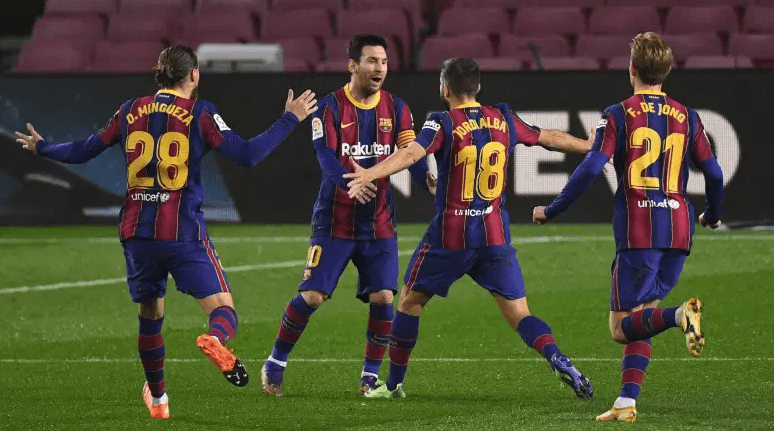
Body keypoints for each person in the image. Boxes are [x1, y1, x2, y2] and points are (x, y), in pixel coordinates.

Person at [14, 45, 318, 419]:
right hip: (182, 232)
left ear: (160, 75)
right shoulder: (200, 113)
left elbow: (83, 150)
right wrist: (290, 118)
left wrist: (42, 147)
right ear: (193, 76)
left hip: (137, 233)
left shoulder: (129, 110)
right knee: (223, 309)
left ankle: (158, 399)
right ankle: (215, 339)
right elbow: (248, 154)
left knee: (150, 312)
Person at [344, 57, 595, 400]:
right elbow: (548, 137)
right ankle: (557, 357)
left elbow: (412, 154)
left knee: (408, 302)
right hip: (494, 235)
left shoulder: (442, 122)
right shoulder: (504, 118)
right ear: (478, 88)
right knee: (521, 313)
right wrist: (589, 146)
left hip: (451, 237)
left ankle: (392, 386)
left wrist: (370, 173)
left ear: (445, 89)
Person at [532, 32, 724, 422]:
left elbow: (590, 168)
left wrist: (552, 210)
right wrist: (714, 214)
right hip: (679, 230)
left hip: (639, 231)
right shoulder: (689, 116)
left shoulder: (618, 113)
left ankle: (680, 317)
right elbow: (715, 172)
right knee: (642, 317)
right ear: (667, 72)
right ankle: (626, 401)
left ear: (632, 69)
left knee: (621, 328)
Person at [260, 34, 435, 397]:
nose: (379, 68)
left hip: (379, 222)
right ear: (352, 65)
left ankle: (369, 377)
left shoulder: (397, 108)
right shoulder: (329, 108)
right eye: (371, 61)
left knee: (385, 296)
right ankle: (276, 361)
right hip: (334, 222)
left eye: (384, 62)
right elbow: (325, 159)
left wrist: (428, 182)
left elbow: (409, 153)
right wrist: (349, 182)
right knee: (312, 297)